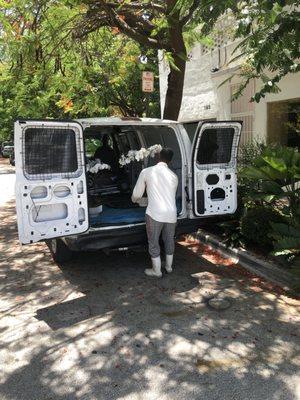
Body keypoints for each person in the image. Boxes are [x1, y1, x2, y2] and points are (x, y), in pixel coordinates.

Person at [132, 148, 178, 277]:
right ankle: (168, 267)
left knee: (153, 242)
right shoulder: (174, 176)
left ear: (158, 157)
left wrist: (134, 200)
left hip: (155, 214)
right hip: (171, 214)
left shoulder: (147, 171)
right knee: (169, 240)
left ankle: (156, 271)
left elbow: (136, 194)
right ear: (170, 160)